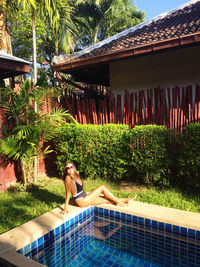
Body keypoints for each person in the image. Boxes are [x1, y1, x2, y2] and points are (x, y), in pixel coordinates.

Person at [61, 162, 136, 214]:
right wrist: (65, 208)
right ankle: (119, 203)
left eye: (71, 167)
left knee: (105, 199)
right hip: (81, 201)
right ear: (66, 170)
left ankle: (126, 200)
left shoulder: (76, 174)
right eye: (68, 168)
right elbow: (68, 194)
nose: (70, 169)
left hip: (84, 197)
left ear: (74, 167)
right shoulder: (68, 178)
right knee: (102, 187)